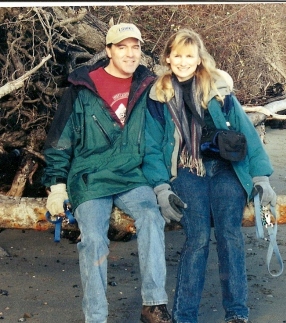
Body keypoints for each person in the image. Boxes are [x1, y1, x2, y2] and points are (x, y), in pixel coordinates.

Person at [41, 23, 174, 323]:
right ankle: (96, 316)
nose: (130, 54)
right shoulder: (81, 89)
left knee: (152, 217)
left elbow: (168, 131)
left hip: (131, 175)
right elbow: (60, 141)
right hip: (89, 177)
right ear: (109, 50)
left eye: (136, 47)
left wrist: (166, 183)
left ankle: (153, 303)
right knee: (94, 240)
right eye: (122, 47)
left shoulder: (150, 86)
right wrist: (57, 187)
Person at [142, 28, 277, 323]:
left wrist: (261, 177)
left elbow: (247, 133)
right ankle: (184, 316)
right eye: (177, 55)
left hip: (225, 170)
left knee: (230, 234)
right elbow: (152, 148)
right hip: (187, 172)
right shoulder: (157, 95)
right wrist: (162, 188)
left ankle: (237, 314)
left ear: (199, 59)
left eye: (189, 56)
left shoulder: (219, 89)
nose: (183, 61)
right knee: (198, 237)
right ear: (167, 57)